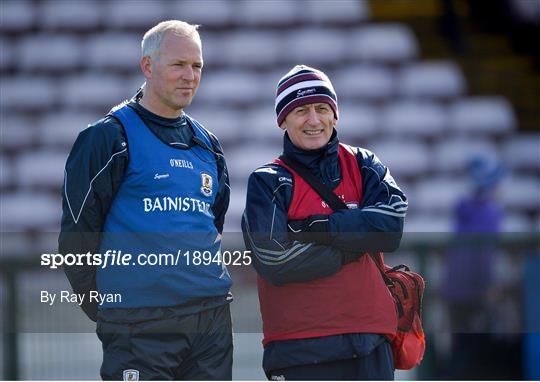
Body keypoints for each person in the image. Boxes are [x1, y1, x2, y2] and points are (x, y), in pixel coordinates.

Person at [59, 20, 233, 380]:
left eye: (196, 66)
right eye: (178, 65)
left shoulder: (208, 145)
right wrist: (109, 307)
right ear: (148, 66)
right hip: (139, 324)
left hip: (211, 321)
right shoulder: (108, 137)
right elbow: (77, 234)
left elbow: (211, 223)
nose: (189, 76)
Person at [242, 65, 408, 380]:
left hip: (371, 343)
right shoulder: (267, 181)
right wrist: (355, 245)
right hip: (300, 350)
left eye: (321, 108)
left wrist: (321, 230)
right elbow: (274, 260)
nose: (314, 120)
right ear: (283, 120)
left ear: (335, 114)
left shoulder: (364, 163)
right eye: (301, 110)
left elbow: (391, 227)